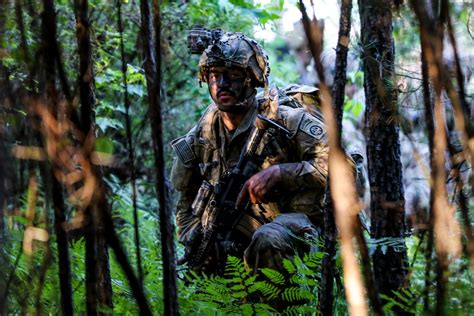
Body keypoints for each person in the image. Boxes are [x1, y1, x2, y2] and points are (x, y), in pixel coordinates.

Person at [171, 31, 329, 277]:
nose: (222, 84)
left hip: (297, 229)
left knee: (268, 240)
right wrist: (196, 239)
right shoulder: (204, 132)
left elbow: (344, 169)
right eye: (214, 76)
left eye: (233, 75)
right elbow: (185, 198)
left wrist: (282, 173)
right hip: (236, 235)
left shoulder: (286, 120)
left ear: (252, 79)